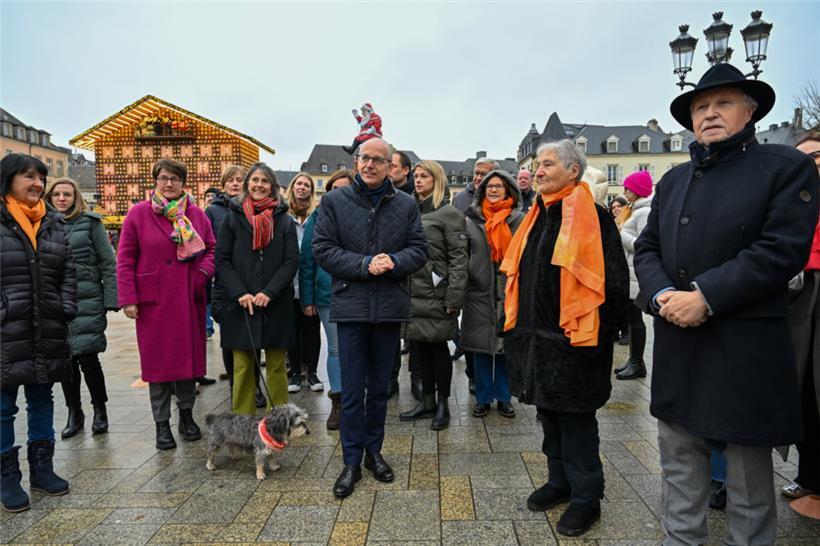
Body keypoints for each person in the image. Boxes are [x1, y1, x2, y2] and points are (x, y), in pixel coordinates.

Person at [634, 63, 820, 545]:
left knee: (748, 482)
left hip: (745, 347)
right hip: (679, 342)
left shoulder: (784, 166)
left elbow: (780, 250)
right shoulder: (672, 181)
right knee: (678, 466)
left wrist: (707, 297)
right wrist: (661, 295)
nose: (710, 114)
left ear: (750, 110)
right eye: (700, 106)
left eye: (723, 103)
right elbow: (649, 248)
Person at [502, 140, 629, 536]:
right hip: (536, 341)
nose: (538, 171)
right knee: (549, 417)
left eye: (548, 164)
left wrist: (598, 339)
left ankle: (586, 497)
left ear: (573, 171)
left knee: (576, 423)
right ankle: (559, 481)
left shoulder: (594, 216)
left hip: (575, 344)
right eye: (537, 165)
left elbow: (614, 282)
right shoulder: (535, 215)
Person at [313, 138, 428, 498]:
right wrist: (365, 264)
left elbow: (419, 249)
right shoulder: (334, 200)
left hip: (389, 308)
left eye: (379, 160)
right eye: (365, 158)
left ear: (390, 165)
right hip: (351, 308)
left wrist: (393, 261)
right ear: (357, 161)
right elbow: (323, 249)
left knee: (379, 389)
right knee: (351, 391)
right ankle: (350, 460)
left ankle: (373, 453)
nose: (371, 165)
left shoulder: (406, 204)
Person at [117, 158, 215, 450]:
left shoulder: (197, 215)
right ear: (155, 181)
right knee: (158, 367)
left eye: (174, 178)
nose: (169, 183)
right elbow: (125, 259)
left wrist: (201, 275)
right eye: (163, 178)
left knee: (188, 364)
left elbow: (211, 248)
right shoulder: (138, 214)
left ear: (183, 183)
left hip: (188, 298)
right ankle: (162, 424)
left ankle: (186, 416)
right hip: (154, 303)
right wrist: (128, 298)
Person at [1, 154, 76, 513]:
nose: (36, 184)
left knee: (42, 399)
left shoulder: (53, 223)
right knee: (2, 407)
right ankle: (7, 477)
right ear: (8, 180)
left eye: (40, 178)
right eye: (28, 176)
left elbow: (68, 272)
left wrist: (65, 307)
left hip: (47, 324)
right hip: (6, 328)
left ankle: (42, 468)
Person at [215, 162, 298, 415]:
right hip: (241, 303)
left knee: (276, 366)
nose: (259, 185)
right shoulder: (233, 216)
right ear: (247, 184)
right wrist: (240, 292)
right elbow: (222, 259)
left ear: (272, 187)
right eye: (255, 180)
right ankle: (241, 424)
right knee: (242, 367)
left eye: (265, 181)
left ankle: (281, 421)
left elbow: (291, 260)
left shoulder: (284, 219)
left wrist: (269, 292)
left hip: (275, 302)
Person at [45, 178, 117, 438]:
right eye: (57, 194)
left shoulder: (90, 223)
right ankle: (74, 412)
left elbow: (108, 262)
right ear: (50, 197)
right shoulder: (43, 223)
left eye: (68, 194)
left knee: (88, 357)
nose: (62, 199)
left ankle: (100, 410)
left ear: (76, 198)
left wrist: (111, 299)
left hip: (87, 299)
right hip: (55, 302)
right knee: (66, 361)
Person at [398, 160, 468, 430]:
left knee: (438, 349)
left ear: (436, 180)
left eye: (424, 176)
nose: (418, 180)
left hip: (437, 294)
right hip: (413, 293)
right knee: (420, 349)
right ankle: (426, 400)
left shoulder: (449, 214)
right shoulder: (412, 211)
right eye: (416, 176)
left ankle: (443, 404)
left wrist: (454, 298)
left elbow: (459, 259)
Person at [462, 169, 523, 419]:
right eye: (490, 187)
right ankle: (484, 398)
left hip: (510, 290)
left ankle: (505, 397)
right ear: (482, 192)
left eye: (499, 186)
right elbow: (463, 254)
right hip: (479, 292)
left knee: (506, 348)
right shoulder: (471, 221)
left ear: (509, 190)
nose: (495, 190)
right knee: (481, 348)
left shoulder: (520, 220)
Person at [780, 131, 820, 503]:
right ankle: (809, 475)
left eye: (818, 156)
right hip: (799, 291)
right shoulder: (791, 201)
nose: (813, 164)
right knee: (803, 387)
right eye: (804, 159)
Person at [300, 169, 354, 430]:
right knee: (335, 349)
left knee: (356, 348)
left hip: (358, 291)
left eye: (346, 188)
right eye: (336, 188)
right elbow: (307, 259)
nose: (340, 193)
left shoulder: (363, 214)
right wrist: (307, 298)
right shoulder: (318, 216)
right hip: (327, 293)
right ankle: (339, 400)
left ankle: (356, 398)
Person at [284, 172, 322, 393]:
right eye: (299, 183)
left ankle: (313, 372)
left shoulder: (317, 216)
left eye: (306, 185)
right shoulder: (283, 215)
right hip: (288, 282)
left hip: (311, 280)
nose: (302, 187)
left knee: (311, 329)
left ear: (311, 190)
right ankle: (296, 373)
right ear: (293, 187)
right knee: (292, 330)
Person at [613, 171, 653, 380]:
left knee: (636, 320)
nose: (624, 190)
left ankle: (638, 363)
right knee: (630, 319)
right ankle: (633, 360)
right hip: (627, 273)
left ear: (636, 190)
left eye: (628, 187)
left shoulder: (644, 212)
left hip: (635, 274)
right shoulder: (631, 209)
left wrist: (620, 234)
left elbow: (642, 245)